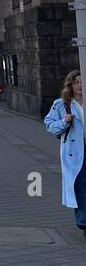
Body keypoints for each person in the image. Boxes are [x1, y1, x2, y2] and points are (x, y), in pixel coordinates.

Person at [44, 71, 86, 238]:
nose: (80, 85)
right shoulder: (62, 104)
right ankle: (83, 221)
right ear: (70, 85)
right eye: (76, 82)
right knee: (81, 187)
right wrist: (64, 121)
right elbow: (49, 124)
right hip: (75, 154)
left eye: (82, 81)